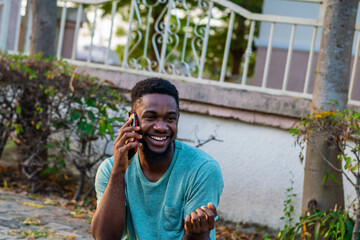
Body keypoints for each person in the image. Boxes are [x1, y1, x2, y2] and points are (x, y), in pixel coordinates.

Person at [91, 78, 223, 240]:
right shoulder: (110, 168)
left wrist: (196, 233)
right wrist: (118, 170)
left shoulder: (202, 170)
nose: (161, 127)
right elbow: (104, 237)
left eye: (170, 118)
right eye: (150, 117)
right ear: (132, 119)